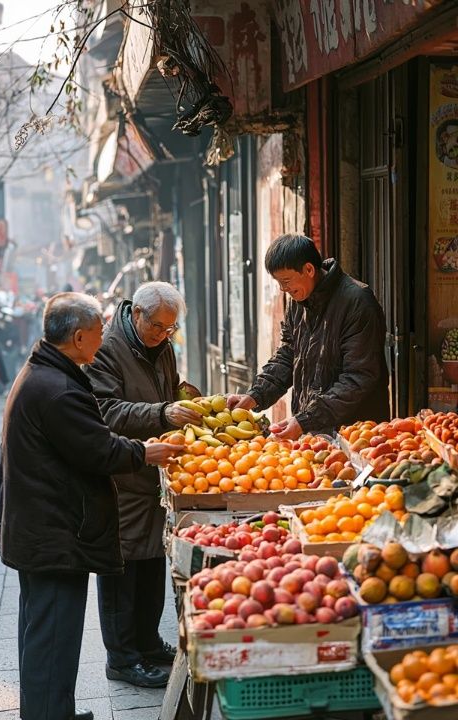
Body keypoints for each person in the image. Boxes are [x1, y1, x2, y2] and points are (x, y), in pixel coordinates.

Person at [0, 292, 182, 720]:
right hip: (53, 534)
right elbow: (99, 450)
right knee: (52, 634)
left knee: (45, 633)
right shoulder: (57, 389)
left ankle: (51, 710)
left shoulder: (47, 373)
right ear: (79, 337)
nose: (104, 339)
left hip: (44, 529)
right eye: (99, 332)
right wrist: (145, 452)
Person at [84, 281, 202, 688]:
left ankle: (148, 643)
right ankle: (122, 658)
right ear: (136, 313)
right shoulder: (107, 348)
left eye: (170, 329)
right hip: (123, 473)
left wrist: (181, 397)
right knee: (122, 567)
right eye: (156, 326)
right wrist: (163, 411)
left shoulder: (160, 346)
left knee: (152, 561)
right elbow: (105, 410)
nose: (162, 335)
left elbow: (165, 391)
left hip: (153, 474)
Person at [228, 234, 389, 437]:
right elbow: (287, 355)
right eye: (278, 282)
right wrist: (255, 395)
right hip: (314, 431)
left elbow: (358, 377)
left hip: (355, 433)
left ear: (309, 270)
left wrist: (306, 419)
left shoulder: (357, 302)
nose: (283, 289)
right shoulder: (298, 302)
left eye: (286, 281)